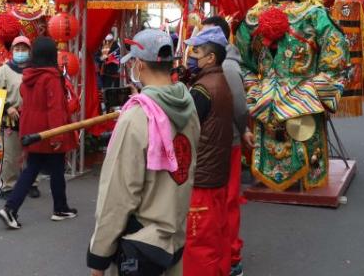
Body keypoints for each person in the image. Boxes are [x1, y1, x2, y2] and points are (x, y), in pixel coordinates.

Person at [86, 29, 200, 276]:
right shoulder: (188, 107)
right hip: (174, 237)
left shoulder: (137, 117)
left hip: (142, 245)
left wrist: (99, 256)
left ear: (138, 65)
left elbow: (118, 194)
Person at [0, 36, 78, 229]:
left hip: (30, 126)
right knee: (44, 167)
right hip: (47, 129)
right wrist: (57, 135)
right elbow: (55, 108)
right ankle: (15, 208)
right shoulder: (51, 76)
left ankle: (57, 207)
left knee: (40, 167)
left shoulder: (29, 74)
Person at [202, 16, 252, 276]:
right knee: (215, 202)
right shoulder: (212, 65)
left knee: (228, 200)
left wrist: (242, 130)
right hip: (213, 144)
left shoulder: (229, 67)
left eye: (207, 36)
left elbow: (240, 108)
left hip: (227, 142)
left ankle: (232, 256)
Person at [182, 26, 233, 276]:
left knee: (198, 244)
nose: (193, 56)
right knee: (217, 236)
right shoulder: (220, 80)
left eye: (197, 51)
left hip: (202, 176)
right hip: (217, 173)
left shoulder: (202, 88)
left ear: (210, 58)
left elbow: (185, 126)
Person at [0, 35, 40, 199]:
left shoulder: (35, 70)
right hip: (11, 119)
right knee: (11, 156)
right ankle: (8, 186)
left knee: (32, 154)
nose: (20, 52)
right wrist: (7, 107)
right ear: (12, 51)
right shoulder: (4, 70)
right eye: (17, 49)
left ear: (29, 51)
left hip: (32, 118)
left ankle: (31, 183)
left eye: (24, 49)